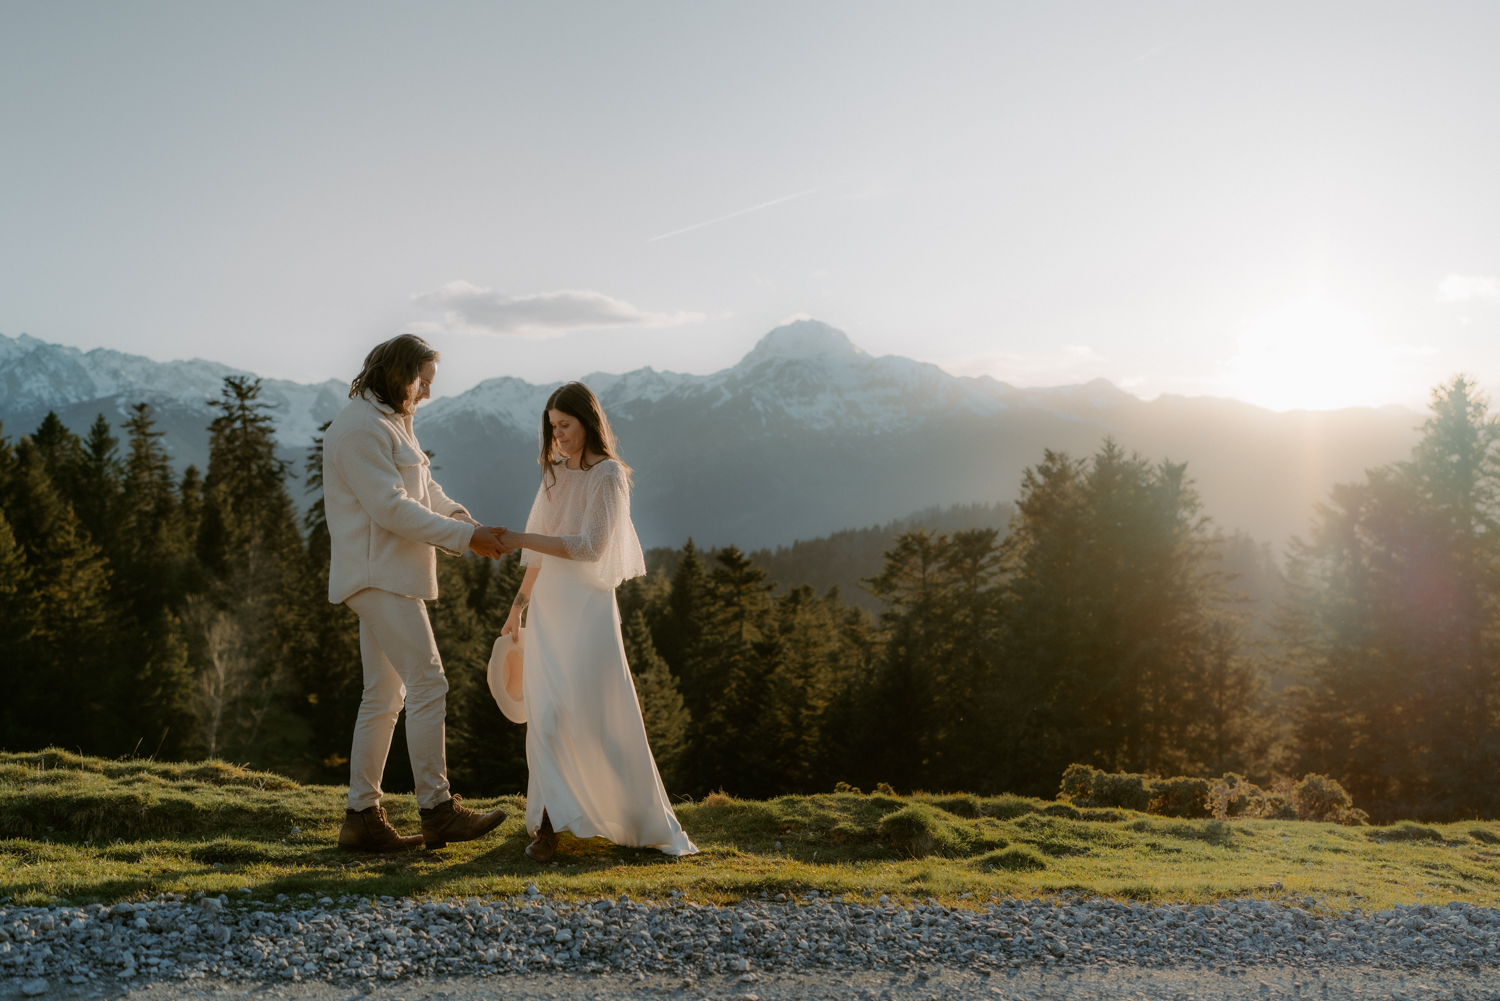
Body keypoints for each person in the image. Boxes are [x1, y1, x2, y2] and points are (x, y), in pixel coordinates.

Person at [322, 333, 511, 852]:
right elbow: (390, 508)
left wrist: (462, 521)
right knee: (429, 683)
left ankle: (362, 819)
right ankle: (438, 810)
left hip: (387, 574)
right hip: (377, 575)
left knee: (383, 696)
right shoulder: (361, 429)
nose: (426, 392)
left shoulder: (390, 420)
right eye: (421, 381)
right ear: (396, 372)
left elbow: (423, 492)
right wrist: (464, 539)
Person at [498, 382, 698, 861]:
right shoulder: (552, 473)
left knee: (596, 713)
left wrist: (519, 536)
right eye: (552, 427)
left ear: (588, 422)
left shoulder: (609, 475)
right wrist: (517, 606)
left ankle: (631, 816)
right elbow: (537, 553)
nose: (559, 436)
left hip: (587, 610)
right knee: (544, 715)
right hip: (548, 607)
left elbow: (590, 547)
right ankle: (547, 828)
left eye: (565, 426)